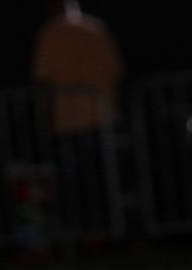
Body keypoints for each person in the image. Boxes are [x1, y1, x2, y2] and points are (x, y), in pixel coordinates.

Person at [32, 0, 122, 240]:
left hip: (66, 120)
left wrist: (43, 120)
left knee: (74, 186)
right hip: (100, 115)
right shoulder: (96, 28)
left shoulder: (49, 34)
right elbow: (115, 71)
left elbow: (44, 80)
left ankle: (80, 235)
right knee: (102, 180)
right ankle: (106, 232)